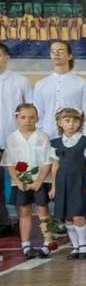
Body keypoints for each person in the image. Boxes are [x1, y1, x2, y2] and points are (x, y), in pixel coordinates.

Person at [3, 103, 55, 257]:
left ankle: (48, 241)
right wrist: (18, 181)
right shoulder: (12, 138)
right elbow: (9, 163)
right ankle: (25, 244)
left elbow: (48, 161)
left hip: (41, 181)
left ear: (37, 118)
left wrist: (39, 180)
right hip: (21, 183)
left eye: (32, 117)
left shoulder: (43, 137)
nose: (27, 120)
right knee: (24, 211)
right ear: (17, 118)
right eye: (23, 117)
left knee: (43, 210)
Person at [50, 108, 86, 259]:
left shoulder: (85, 142)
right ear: (59, 123)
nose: (71, 124)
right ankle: (75, 247)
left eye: (75, 121)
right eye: (67, 121)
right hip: (62, 184)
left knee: (78, 215)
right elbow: (55, 166)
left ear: (80, 123)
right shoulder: (56, 143)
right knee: (67, 217)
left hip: (79, 183)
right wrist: (53, 186)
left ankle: (83, 245)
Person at [0, 42, 32, 235]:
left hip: (17, 142)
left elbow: (32, 110)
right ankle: (3, 221)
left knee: (22, 181)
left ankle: (23, 222)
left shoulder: (21, 81)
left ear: (7, 57)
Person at [34, 40, 86, 139]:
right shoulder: (41, 84)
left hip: (75, 136)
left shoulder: (82, 84)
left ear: (70, 56)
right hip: (47, 135)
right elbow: (38, 112)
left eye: (60, 51)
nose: (56, 54)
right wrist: (40, 134)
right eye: (53, 51)